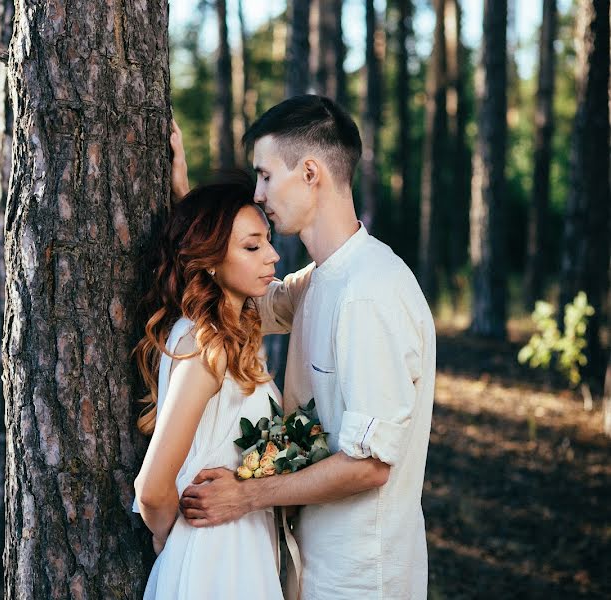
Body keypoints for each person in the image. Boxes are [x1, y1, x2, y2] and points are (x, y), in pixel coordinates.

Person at [177, 95, 437, 599]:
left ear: (311, 172)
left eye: (267, 176)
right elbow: (234, 294)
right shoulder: (322, 279)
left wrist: (245, 497)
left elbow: (370, 465)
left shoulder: (368, 292)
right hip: (314, 568)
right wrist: (186, 201)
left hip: (361, 580)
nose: (259, 193)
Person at [132, 133, 285, 599]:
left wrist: (185, 193)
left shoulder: (231, 331)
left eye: (268, 242)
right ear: (212, 260)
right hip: (213, 559)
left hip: (242, 548)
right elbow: (152, 488)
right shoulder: (208, 348)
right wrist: (169, 538)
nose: (273, 256)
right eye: (253, 247)